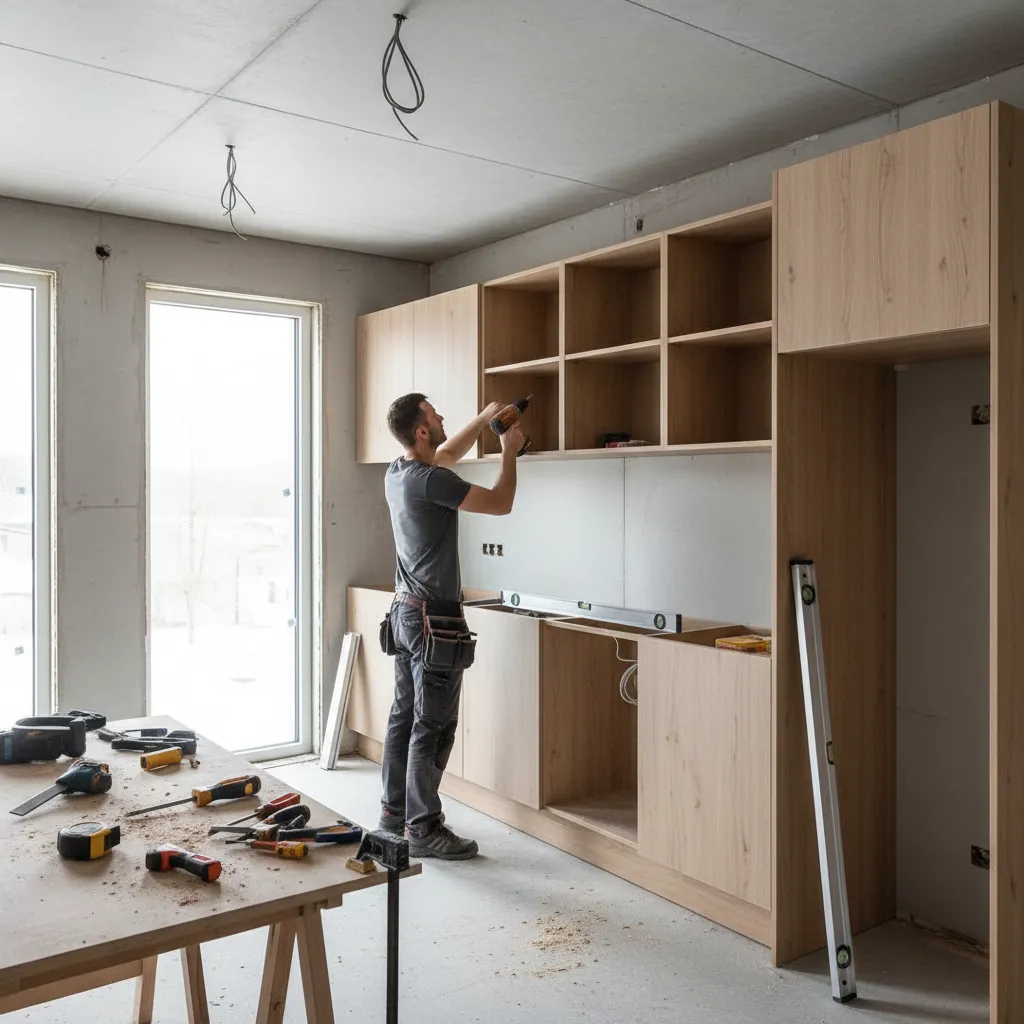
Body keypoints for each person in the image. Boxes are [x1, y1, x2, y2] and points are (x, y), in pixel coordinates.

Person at [378, 393, 523, 859]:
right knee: (433, 725)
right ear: (421, 430)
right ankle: (423, 829)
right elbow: (501, 504)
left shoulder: (399, 473)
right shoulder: (430, 481)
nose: (442, 418)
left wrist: (484, 420)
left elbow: (445, 455)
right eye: (435, 414)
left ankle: (394, 815)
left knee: (404, 718)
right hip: (431, 620)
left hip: (403, 612)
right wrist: (508, 452)